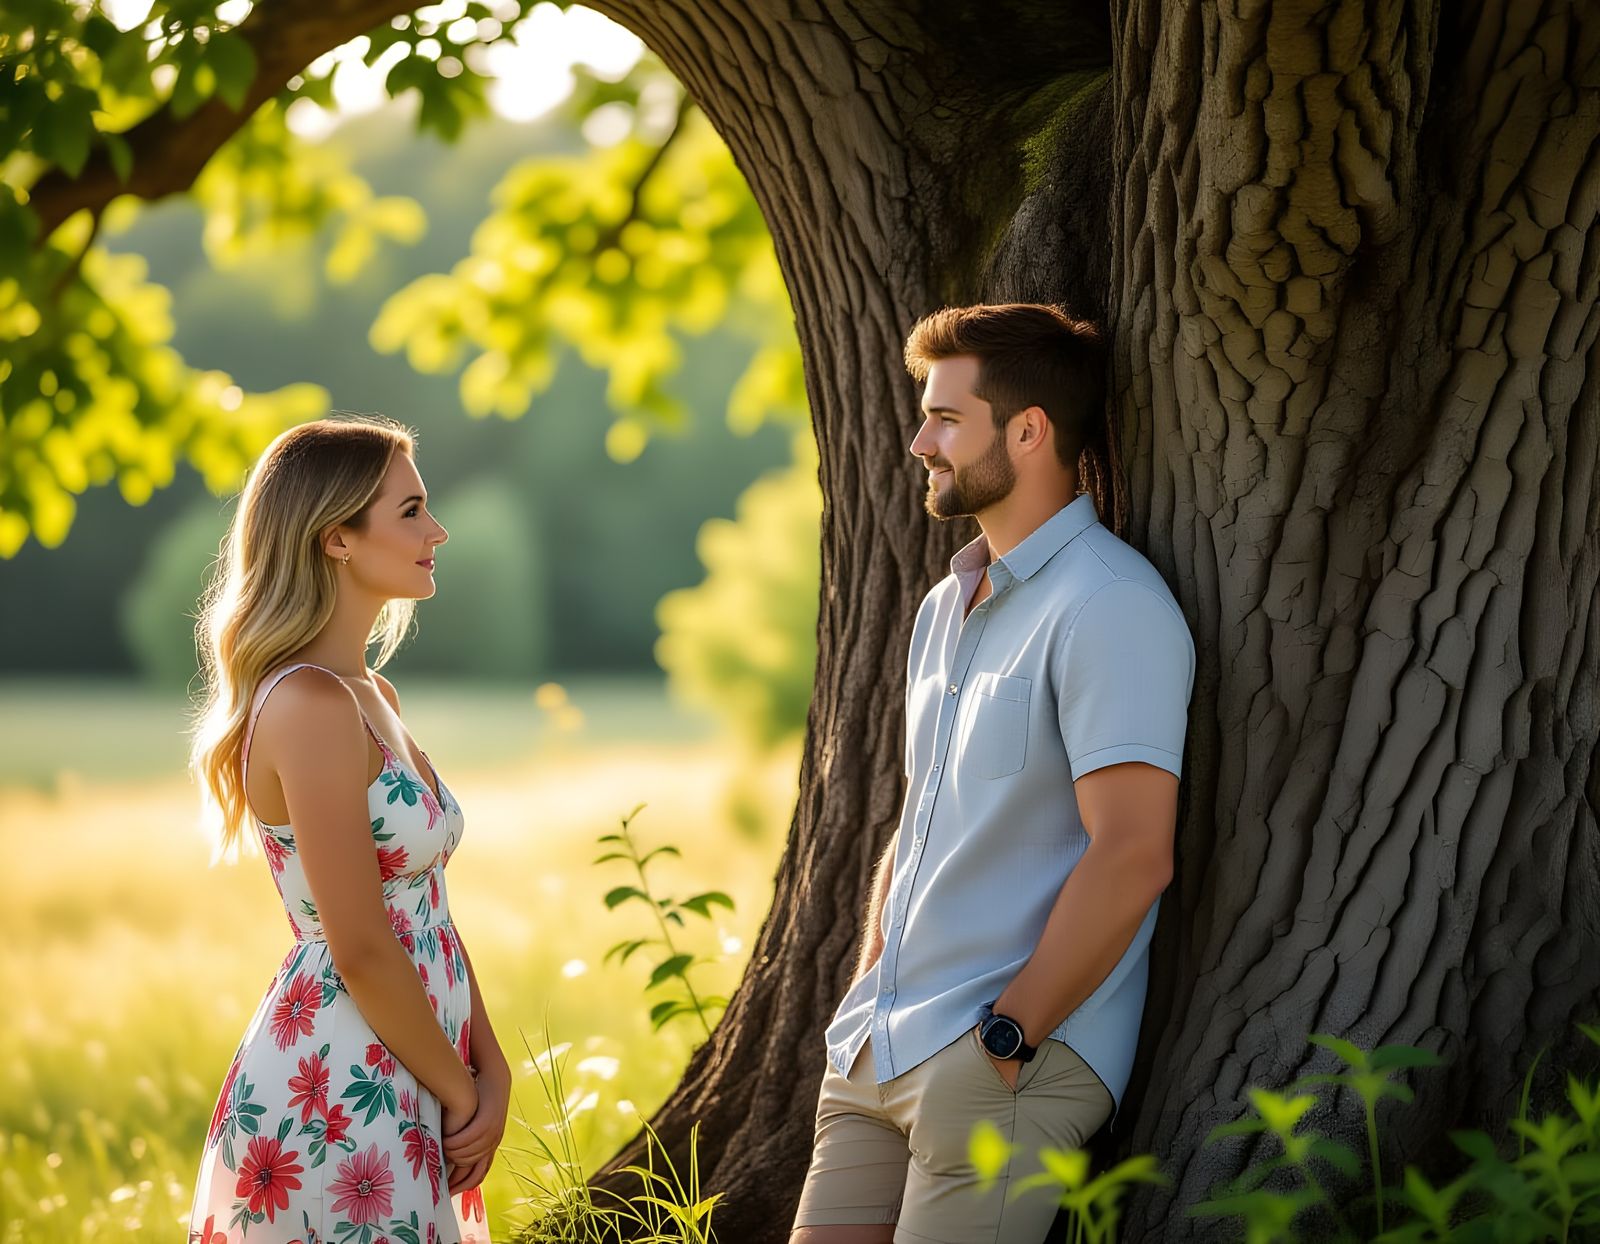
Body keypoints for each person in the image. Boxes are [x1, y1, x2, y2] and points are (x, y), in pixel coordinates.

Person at [791, 304, 1196, 1244]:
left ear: (1028, 430)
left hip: (1005, 1059)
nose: (917, 439)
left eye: (945, 418)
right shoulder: (946, 605)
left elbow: (1133, 852)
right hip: (876, 1041)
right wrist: (869, 985)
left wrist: (1008, 1038)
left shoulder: (1110, 605)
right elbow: (922, 818)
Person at [187, 415, 507, 1244]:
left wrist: (488, 1058)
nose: (436, 531)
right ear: (336, 538)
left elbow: (424, 908)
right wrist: (463, 1093)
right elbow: (358, 942)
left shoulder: (372, 696)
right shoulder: (308, 705)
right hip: (341, 1084)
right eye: (411, 512)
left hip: (416, 1061)